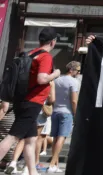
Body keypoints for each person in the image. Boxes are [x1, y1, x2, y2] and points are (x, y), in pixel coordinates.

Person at [0, 27, 61, 175]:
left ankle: (33, 172)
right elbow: (42, 78)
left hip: (22, 100)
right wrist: (56, 74)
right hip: (32, 102)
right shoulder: (45, 56)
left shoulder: (30, 53)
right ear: (53, 42)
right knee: (12, 137)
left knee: (31, 140)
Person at [47, 61, 80, 173]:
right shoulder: (73, 82)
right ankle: (52, 164)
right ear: (71, 70)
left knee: (56, 138)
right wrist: (76, 114)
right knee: (62, 137)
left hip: (55, 111)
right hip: (67, 112)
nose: (78, 73)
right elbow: (74, 100)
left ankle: (55, 164)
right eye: (77, 70)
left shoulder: (57, 80)